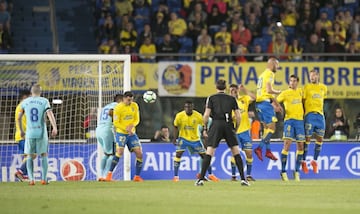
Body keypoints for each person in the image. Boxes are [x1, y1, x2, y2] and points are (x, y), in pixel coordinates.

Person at [195, 79, 249, 186]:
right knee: (236, 152)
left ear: (216, 87)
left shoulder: (211, 98)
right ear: (226, 87)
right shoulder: (231, 99)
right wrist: (236, 128)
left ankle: (200, 179)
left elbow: (206, 115)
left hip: (216, 124)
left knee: (210, 151)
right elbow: (238, 116)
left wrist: (205, 128)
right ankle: (243, 179)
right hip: (228, 124)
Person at [17, 84, 58, 185]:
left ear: (31, 92)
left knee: (30, 156)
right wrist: (54, 127)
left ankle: (31, 180)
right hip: (41, 132)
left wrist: (22, 130)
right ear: (40, 92)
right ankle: (44, 179)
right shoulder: (44, 101)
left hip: (29, 133)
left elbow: (18, 117)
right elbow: (49, 114)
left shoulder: (25, 102)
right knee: (44, 155)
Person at [172, 101, 219, 182]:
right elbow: (175, 126)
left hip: (195, 139)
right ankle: (176, 177)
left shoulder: (197, 115)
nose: (188, 109)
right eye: (186, 107)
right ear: (184, 108)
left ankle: (211, 175)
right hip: (183, 138)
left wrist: (204, 131)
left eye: (189, 107)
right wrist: (174, 138)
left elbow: (204, 124)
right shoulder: (179, 115)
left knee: (205, 156)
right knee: (178, 154)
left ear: (192, 107)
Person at [106, 91, 144, 182]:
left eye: (131, 100)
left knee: (139, 153)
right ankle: (109, 175)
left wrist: (132, 126)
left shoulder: (134, 106)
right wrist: (126, 128)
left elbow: (137, 119)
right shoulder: (118, 108)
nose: (130, 102)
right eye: (128, 100)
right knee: (119, 152)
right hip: (121, 133)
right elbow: (116, 123)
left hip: (132, 133)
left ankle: (137, 177)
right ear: (123, 99)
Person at [276, 75, 305, 181]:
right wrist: (277, 108)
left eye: (294, 81)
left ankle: (296, 171)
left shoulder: (301, 92)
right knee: (287, 144)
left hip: (300, 121)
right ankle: (283, 172)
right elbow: (275, 101)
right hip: (289, 121)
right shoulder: (285, 93)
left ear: (297, 82)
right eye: (291, 81)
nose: (292, 83)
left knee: (301, 146)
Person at [254, 57, 283, 162]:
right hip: (265, 105)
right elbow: (269, 90)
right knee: (272, 128)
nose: (278, 67)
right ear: (271, 64)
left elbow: (265, 93)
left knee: (266, 129)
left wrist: (276, 104)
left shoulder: (262, 75)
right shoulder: (270, 74)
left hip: (259, 104)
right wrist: (278, 91)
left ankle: (268, 151)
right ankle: (259, 148)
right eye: (277, 65)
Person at [302, 69, 327, 174]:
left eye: (313, 76)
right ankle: (303, 161)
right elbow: (303, 101)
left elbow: (322, 100)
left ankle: (315, 161)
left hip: (320, 116)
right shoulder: (306, 87)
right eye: (310, 76)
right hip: (310, 115)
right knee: (307, 138)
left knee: (320, 139)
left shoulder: (323, 88)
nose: (312, 77)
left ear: (318, 76)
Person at [229, 84, 256, 182]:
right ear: (229, 91)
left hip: (245, 131)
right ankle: (233, 176)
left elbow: (254, 98)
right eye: (231, 90)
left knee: (249, 153)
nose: (233, 91)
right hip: (234, 131)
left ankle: (248, 175)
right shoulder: (228, 102)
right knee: (235, 154)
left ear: (237, 90)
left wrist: (245, 89)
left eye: (235, 90)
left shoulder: (244, 99)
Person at [96, 94, 123, 181]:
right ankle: (106, 177)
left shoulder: (106, 106)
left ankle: (100, 175)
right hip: (107, 130)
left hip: (99, 130)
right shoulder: (118, 106)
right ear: (120, 100)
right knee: (113, 154)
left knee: (106, 154)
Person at [14, 89, 31, 182]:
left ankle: (25, 176)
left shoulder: (19, 106)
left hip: (21, 135)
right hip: (24, 135)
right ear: (25, 97)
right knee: (32, 155)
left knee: (28, 156)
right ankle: (20, 172)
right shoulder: (23, 106)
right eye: (29, 96)